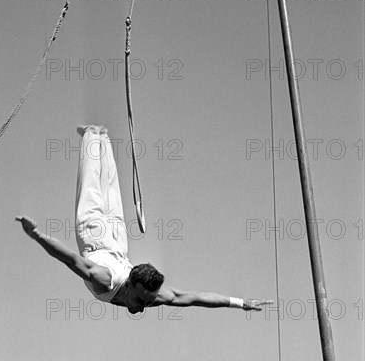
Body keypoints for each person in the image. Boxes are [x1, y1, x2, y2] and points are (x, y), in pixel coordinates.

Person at [17, 125, 272, 314]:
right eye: (142, 301)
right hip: (97, 237)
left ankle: (102, 138)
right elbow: (69, 258)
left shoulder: (152, 295)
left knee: (110, 186)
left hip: (117, 244)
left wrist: (241, 304)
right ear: (129, 284)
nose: (143, 308)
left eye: (147, 302)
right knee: (92, 185)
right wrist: (37, 235)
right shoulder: (105, 281)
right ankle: (92, 135)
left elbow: (194, 297)